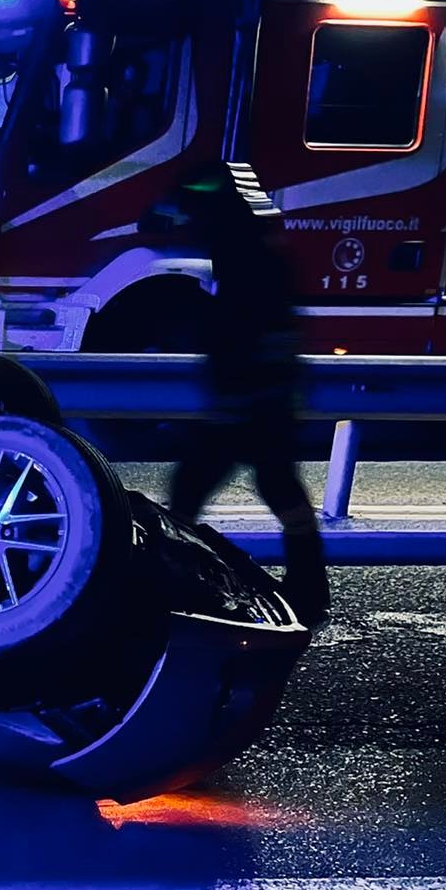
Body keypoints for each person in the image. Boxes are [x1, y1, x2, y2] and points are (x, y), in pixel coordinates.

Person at [159, 167, 331, 626]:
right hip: (264, 391)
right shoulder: (250, 238)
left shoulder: (240, 247)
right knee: (276, 486)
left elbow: (244, 325)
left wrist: (236, 395)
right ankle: (310, 587)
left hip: (251, 394)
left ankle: (177, 580)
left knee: (193, 486)